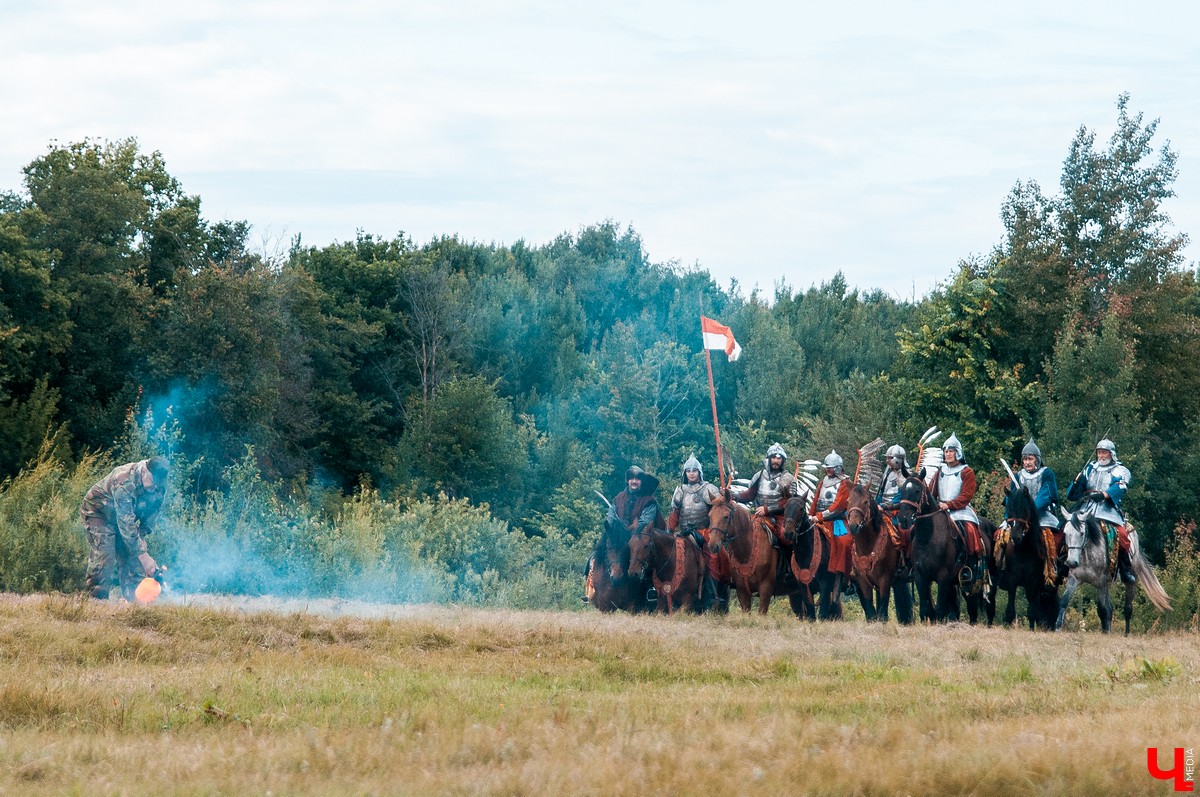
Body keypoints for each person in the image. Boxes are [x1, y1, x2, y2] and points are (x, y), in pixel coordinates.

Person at [82, 456, 169, 600]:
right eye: (153, 483)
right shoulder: (124, 480)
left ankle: (135, 602)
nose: (155, 488)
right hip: (99, 513)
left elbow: (149, 520)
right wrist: (144, 555)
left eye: (158, 486)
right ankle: (95, 600)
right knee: (105, 554)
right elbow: (126, 523)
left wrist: (141, 543)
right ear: (145, 472)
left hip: (124, 520)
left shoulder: (159, 486)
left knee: (133, 557)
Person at [1066, 439, 1135, 584]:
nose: (1101, 456)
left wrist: (1104, 494)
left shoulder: (1120, 470)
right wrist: (1076, 483)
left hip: (1107, 510)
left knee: (1122, 535)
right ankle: (1060, 564)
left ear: (1111, 454)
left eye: (1104, 452)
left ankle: (1125, 568)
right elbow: (1074, 493)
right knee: (1065, 528)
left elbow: (1120, 487)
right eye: (1099, 452)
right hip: (1086, 507)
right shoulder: (1090, 468)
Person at [928, 434, 985, 585]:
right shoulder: (940, 471)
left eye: (951, 451)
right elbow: (931, 491)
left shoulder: (967, 472)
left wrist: (950, 504)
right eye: (946, 451)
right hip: (940, 509)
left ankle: (970, 563)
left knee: (970, 530)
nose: (948, 454)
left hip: (961, 510)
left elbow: (967, 495)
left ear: (958, 453)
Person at [667, 454, 722, 610]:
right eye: (688, 471)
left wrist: (723, 495)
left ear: (699, 472)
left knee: (711, 557)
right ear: (685, 473)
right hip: (683, 532)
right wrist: (668, 532)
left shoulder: (708, 488)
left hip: (704, 532)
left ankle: (712, 595)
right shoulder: (680, 490)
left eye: (694, 470)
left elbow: (718, 510)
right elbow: (674, 515)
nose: (691, 473)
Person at [736, 443, 800, 547]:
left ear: (783, 461)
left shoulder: (787, 478)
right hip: (759, 514)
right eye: (773, 457)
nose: (776, 461)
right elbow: (750, 494)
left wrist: (767, 509)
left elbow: (789, 502)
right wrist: (735, 496)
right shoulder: (760, 475)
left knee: (786, 537)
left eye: (779, 458)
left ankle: (788, 561)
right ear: (769, 459)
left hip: (779, 516)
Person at [808, 450, 854, 577]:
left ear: (838, 468)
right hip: (819, 520)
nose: (828, 470)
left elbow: (838, 506)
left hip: (837, 521)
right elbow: (816, 500)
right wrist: (810, 515)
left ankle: (846, 574)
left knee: (845, 542)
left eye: (831, 467)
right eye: (827, 467)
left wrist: (819, 517)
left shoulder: (845, 482)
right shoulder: (824, 481)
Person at [1011, 438, 1061, 546]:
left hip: (1043, 515)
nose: (1027, 462)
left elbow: (1045, 496)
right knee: (1001, 537)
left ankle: (1054, 562)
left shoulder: (1047, 474)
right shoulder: (1018, 476)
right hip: (1020, 517)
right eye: (1025, 459)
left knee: (1053, 541)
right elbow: (1011, 499)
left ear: (1037, 460)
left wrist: (1031, 513)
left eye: (1030, 459)